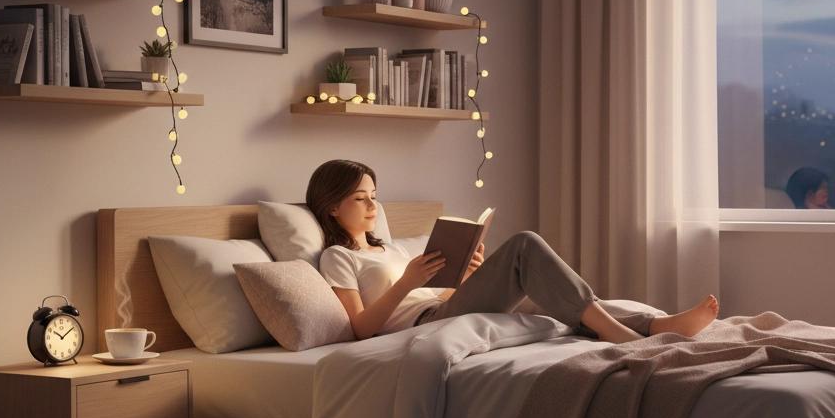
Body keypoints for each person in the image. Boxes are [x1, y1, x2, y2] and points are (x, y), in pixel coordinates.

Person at [308, 159, 719, 344]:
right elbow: (361, 329)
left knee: (551, 302)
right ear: (332, 206)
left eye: (374, 197)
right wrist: (409, 282)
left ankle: (656, 326)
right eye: (360, 199)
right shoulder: (337, 258)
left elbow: (441, 297)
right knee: (524, 245)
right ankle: (622, 336)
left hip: (443, 308)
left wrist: (466, 277)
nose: (372, 207)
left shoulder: (390, 247)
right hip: (425, 324)